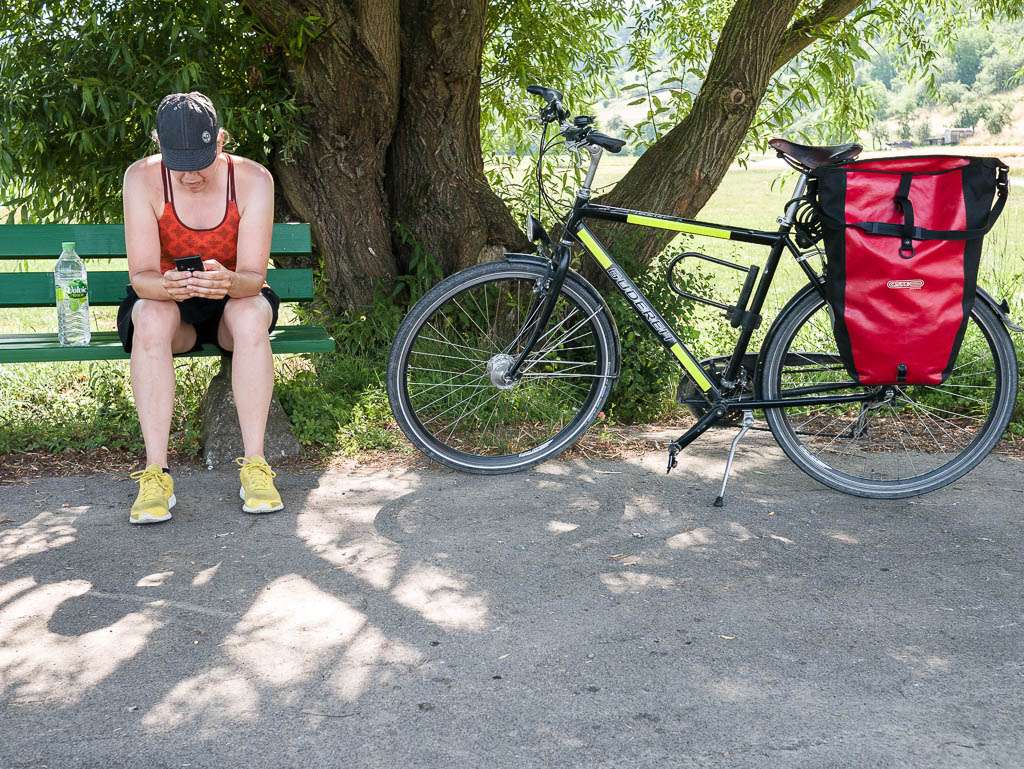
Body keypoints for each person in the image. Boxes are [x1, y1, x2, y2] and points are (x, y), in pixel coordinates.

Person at [119, 91, 283, 524]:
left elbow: (253, 276)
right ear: (160, 147)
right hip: (169, 301)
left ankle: (256, 466)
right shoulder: (141, 178)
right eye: (179, 164)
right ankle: (156, 474)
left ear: (221, 143)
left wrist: (228, 281)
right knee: (149, 318)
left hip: (234, 296)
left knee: (249, 317)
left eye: (200, 162)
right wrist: (168, 285)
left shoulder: (253, 180)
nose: (190, 176)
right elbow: (141, 277)